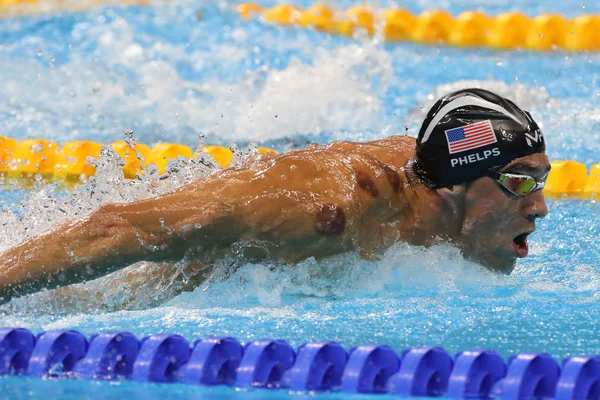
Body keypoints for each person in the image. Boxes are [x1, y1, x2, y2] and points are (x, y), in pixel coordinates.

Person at [0, 88, 550, 304]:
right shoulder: (329, 208)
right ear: (459, 184)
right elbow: (123, 228)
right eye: (522, 183)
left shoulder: (445, 187)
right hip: (135, 291)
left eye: (542, 182)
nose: (540, 207)